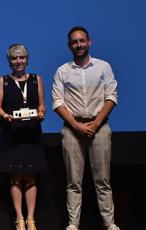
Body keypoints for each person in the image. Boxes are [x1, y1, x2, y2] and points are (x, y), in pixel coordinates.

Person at [52, 26, 120, 230]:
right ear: (69, 45)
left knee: (103, 180)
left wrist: (95, 124)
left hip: (99, 127)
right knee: (73, 181)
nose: (79, 45)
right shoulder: (62, 71)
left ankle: (109, 224)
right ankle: (74, 224)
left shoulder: (103, 67)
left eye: (82, 41)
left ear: (89, 42)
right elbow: (58, 102)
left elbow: (111, 97)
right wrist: (77, 126)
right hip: (72, 129)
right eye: (74, 42)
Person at [0, 44, 47, 230]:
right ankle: (19, 217)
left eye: (22, 57)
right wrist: (5, 116)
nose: (18, 61)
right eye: (14, 58)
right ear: (9, 61)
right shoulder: (3, 81)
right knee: (15, 177)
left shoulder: (36, 79)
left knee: (32, 176)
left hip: (31, 132)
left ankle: (31, 218)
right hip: (11, 133)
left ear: (27, 59)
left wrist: (41, 113)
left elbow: (42, 105)